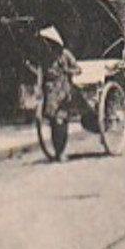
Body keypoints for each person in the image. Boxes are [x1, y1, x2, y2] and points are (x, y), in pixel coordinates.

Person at [38, 26, 79, 160]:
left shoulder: (65, 54)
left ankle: (61, 151)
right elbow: (42, 75)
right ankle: (57, 151)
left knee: (61, 122)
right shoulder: (46, 58)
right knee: (54, 123)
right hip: (50, 92)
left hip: (63, 91)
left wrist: (68, 71)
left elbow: (78, 69)